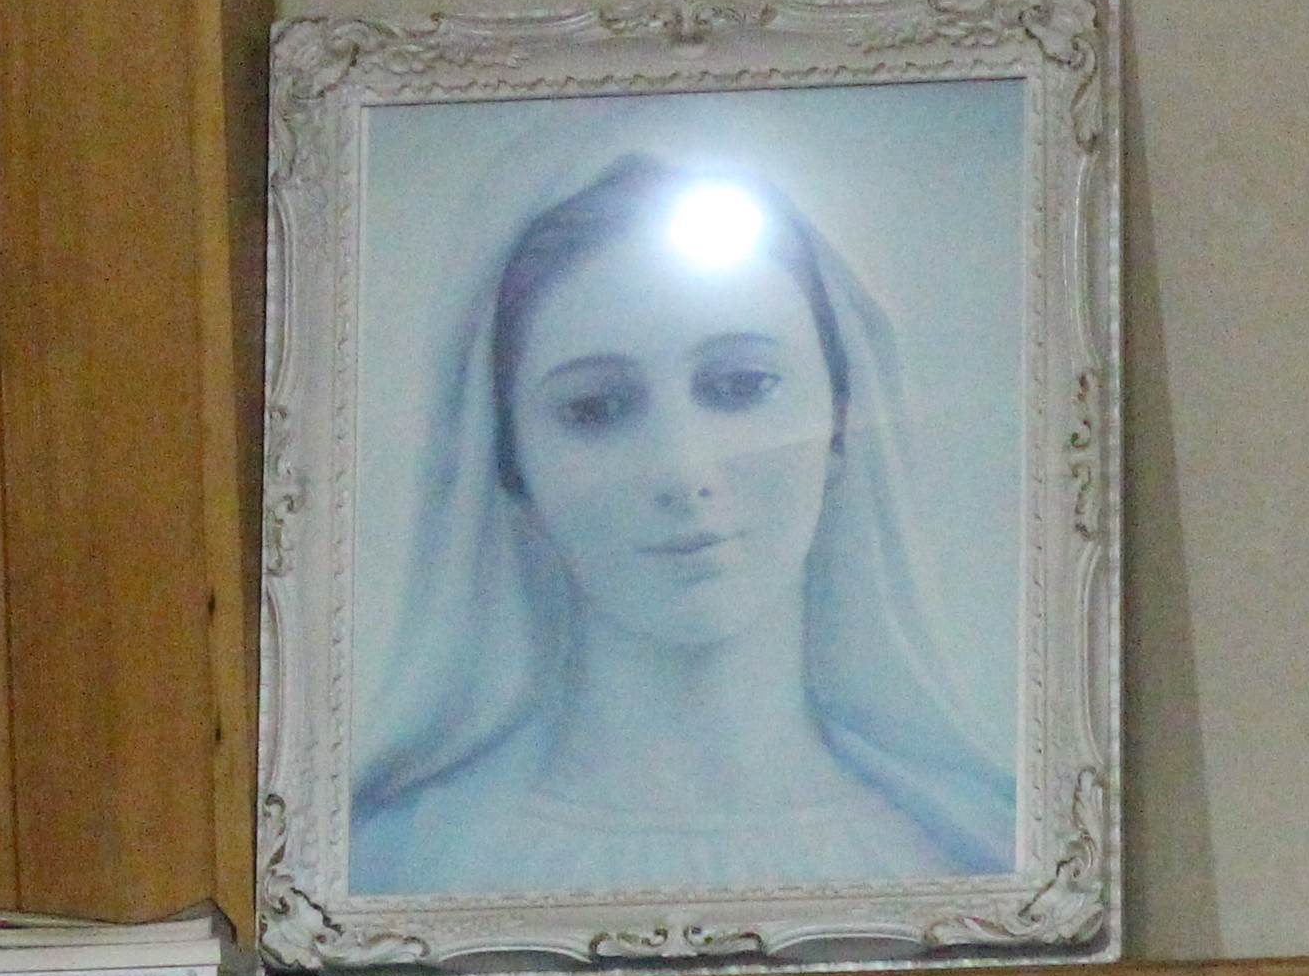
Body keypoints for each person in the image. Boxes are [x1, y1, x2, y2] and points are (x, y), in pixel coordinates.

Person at [351, 140, 1016, 898]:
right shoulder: (392, 868)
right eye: (595, 409)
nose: (681, 471)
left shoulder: (974, 855)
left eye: (742, 386)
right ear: (512, 465)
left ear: (839, 423)